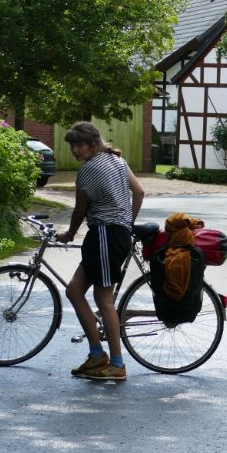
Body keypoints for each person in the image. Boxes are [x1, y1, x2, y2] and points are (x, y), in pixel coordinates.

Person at [55, 123, 145, 381]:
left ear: (93, 144)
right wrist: (127, 222)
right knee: (73, 291)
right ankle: (97, 355)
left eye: (79, 145)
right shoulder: (117, 160)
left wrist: (70, 234)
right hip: (107, 235)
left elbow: (79, 211)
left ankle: (117, 365)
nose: (74, 150)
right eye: (71, 145)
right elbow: (139, 193)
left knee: (104, 302)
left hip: (105, 234)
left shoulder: (87, 171)